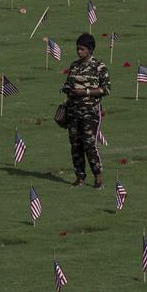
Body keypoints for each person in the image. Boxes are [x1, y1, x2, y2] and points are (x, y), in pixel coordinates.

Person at [61, 33, 111, 189]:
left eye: (82, 49)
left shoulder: (99, 66)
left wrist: (86, 92)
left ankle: (98, 178)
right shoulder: (74, 66)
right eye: (77, 49)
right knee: (75, 145)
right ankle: (80, 177)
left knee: (89, 144)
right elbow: (68, 84)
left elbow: (106, 89)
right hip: (73, 112)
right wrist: (67, 90)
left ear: (90, 50)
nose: (79, 52)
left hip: (90, 112)